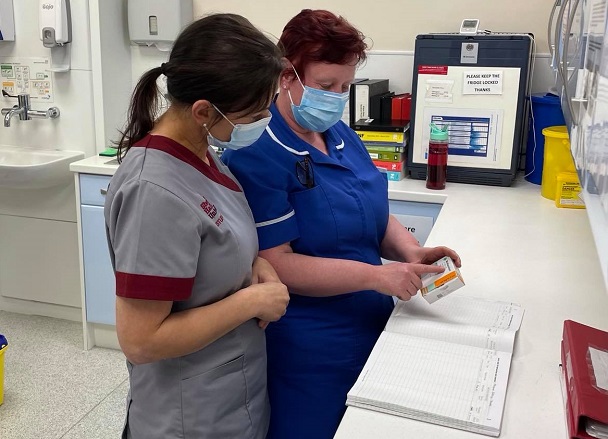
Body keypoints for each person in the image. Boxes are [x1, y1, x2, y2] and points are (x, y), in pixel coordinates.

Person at [222, 9, 461, 439]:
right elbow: (277, 263)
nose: (336, 97)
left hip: (374, 320)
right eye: (325, 86)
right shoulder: (256, 151)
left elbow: (368, 206)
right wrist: (375, 276)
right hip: (310, 346)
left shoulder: (339, 134)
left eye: (345, 86)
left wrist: (409, 251)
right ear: (286, 75)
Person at [103, 14, 290, 439]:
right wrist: (251, 302)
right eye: (256, 113)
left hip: (228, 396)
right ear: (204, 110)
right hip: (188, 415)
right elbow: (141, 340)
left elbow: (213, 242)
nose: (264, 122)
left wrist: (254, 264)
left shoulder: (202, 153)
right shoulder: (153, 190)